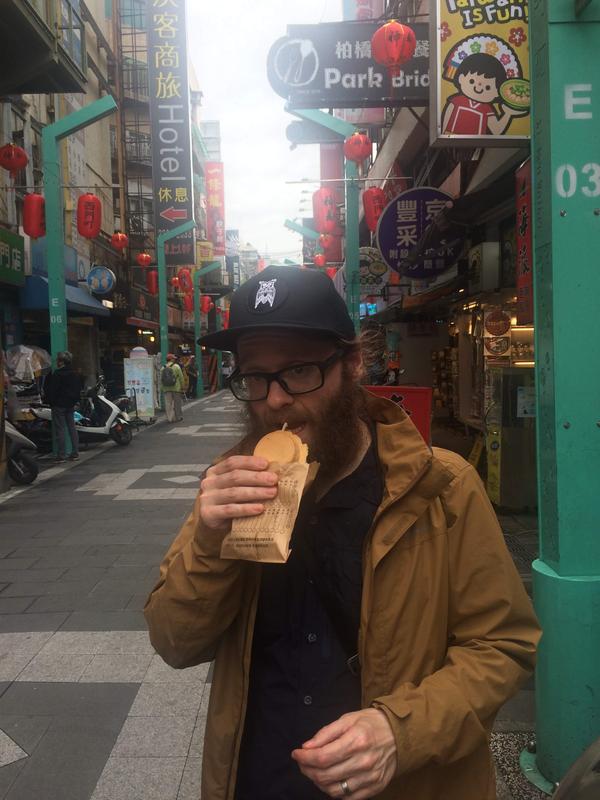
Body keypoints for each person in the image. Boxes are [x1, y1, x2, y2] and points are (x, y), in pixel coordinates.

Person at [144, 266, 540, 800]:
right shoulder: (231, 488)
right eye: (255, 378)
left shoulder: (440, 487)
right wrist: (210, 543)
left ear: (352, 364)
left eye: (300, 371)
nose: (275, 400)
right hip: (261, 777)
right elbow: (175, 643)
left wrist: (402, 731)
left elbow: (502, 645)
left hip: (402, 783)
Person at [43, 350, 82, 463]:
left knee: (60, 429)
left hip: (59, 405)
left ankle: (62, 455)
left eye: (58, 360)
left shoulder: (57, 374)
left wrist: (51, 402)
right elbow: (77, 389)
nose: (56, 362)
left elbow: (53, 391)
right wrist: (74, 401)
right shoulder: (74, 374)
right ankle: (75, 453)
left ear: (61, 362)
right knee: (72, 428)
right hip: (70, 405)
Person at [160, 353, 184, 423]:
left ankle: (170, 418)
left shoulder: (163, 368)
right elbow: (181, 377)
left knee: (168, 403)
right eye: (173, 358)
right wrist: (182, 385)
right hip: (176, 388)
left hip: (166, 388)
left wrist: (162, 388)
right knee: (177, 403)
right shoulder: (176, 366)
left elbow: (161, 379)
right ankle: (178, 417)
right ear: (171, 359)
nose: (174, 359)